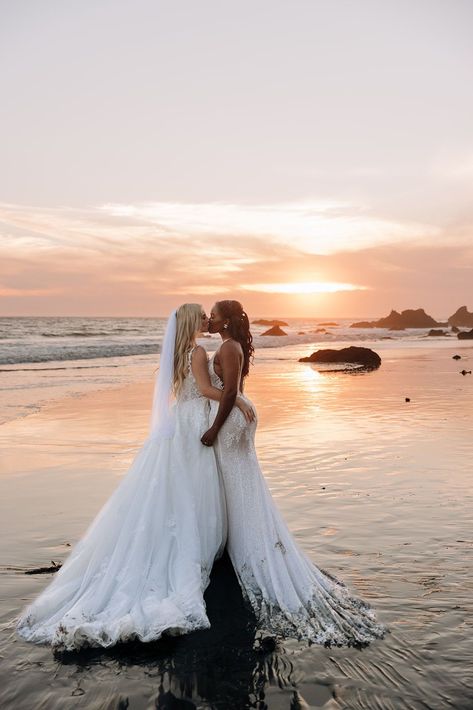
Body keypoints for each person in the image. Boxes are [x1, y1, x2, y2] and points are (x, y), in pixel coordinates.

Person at [15, 304, 252, 651]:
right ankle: (194, 546)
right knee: (194, 489)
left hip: (179, 420)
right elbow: (204, 389)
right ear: (190, 322)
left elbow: (187, 389)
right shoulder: (198, 351)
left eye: (208, 313)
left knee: (176, 488)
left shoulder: (177, 353)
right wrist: (238, 399)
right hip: (192, 423)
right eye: (201, 314)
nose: (206, 318)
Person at [201, 299, 387, 647]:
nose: (209, 319)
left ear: (225, 321)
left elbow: (228, 393)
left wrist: (213, 428)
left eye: (214, 315)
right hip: (240, 416)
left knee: (235, 482)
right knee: (243, 481)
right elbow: (233, 391)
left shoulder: (227, 347)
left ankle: (245, 546)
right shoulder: (233, 344)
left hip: (229, 421)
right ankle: (239, 540)